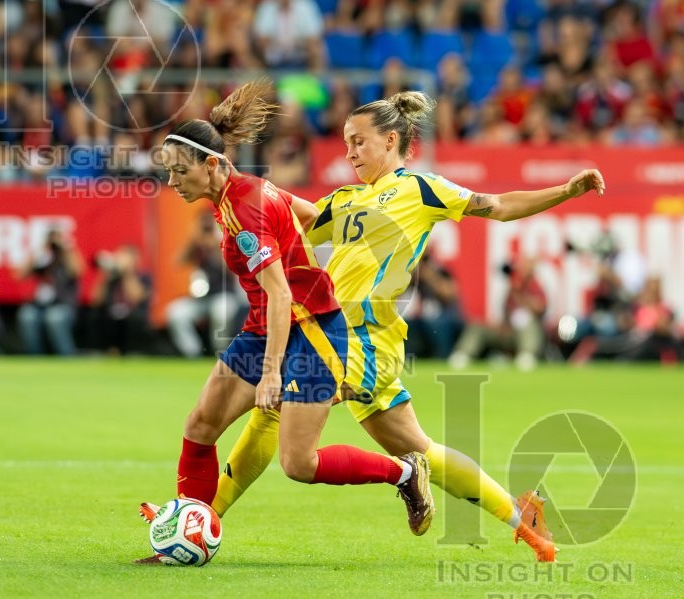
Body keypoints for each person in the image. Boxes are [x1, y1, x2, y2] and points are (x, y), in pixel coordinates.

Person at [188, 90, 606, 562]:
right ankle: (521, 515)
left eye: (359, 142)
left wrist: (565, 191)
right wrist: (235, 185)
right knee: (420, 449)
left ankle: (201, 522)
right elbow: (290, 218)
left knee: (274, 410)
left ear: (391, 141)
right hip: (338, 335)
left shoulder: (420, 189)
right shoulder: (345, 199)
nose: (349, 153)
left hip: (364, 340)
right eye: (346, 143)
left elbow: (499, 205)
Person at [137, 81, 435, 564]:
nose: (171, 181)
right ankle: (187, 535)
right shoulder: (242, 192)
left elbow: (281, 294)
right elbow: (311, 213)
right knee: (201, 424)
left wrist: (272, 372)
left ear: (211, 165)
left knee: (299, 462)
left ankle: (404, 473)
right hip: (266, 324)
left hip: (312, 329)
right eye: (167, 171)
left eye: (178, 170)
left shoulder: (245, 209)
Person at [166, 211, 244, 358]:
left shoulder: (224, 243)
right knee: (176, 313)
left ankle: (220, 352)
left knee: (221, 312)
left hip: (224, 295)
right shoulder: (196, 245)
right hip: (201, 298)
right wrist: (194, 239)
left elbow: (232, 269)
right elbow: (178, 262)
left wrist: (216, 245)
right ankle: (192, 353)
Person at [448, 257, 547, 372]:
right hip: (507, 330)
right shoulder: (511, 285)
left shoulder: (535, 286)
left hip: (524, 333)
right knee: (477, 325)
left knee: (528, 323)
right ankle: (462, 354)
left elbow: (539, 308)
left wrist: (519, 295)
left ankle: (527, 355)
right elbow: (505, 312)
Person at [14, 228, 83, 355]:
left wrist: (65, 248)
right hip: (40, 306)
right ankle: (35, 357)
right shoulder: (43, 258)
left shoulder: (66, 258)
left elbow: (78, 271)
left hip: (63, 305)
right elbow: (19, 275)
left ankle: (66, 355)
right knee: (27, 315)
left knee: (54, 317)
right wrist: (40, 250)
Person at [89, 244, 150, 355]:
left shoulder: (143, 277)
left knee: (134, 320)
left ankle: (132, 352)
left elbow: (137, 298)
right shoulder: (111, 277)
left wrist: (127, 273)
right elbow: (95, 300)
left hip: (132, 316)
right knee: (96, 316)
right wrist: (105, 274)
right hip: (109, 316)